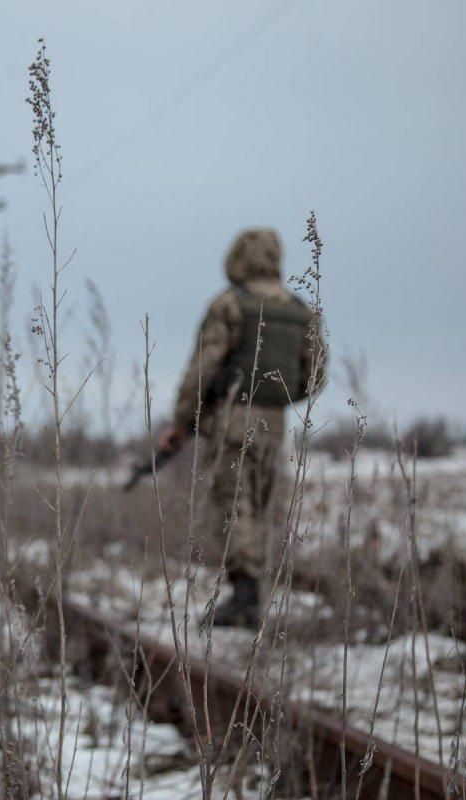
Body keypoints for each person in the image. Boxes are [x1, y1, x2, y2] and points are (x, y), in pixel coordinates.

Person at [157, 228, 326, 627]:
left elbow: (202, 368)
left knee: (234, 506)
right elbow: (316, 372)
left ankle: (244, 599)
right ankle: (251, 595)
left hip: (232, 421)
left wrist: (182, 421)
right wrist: (281, 398)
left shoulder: (230, 305)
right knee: (260, 506)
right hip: (275, 424)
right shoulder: (301, 310)